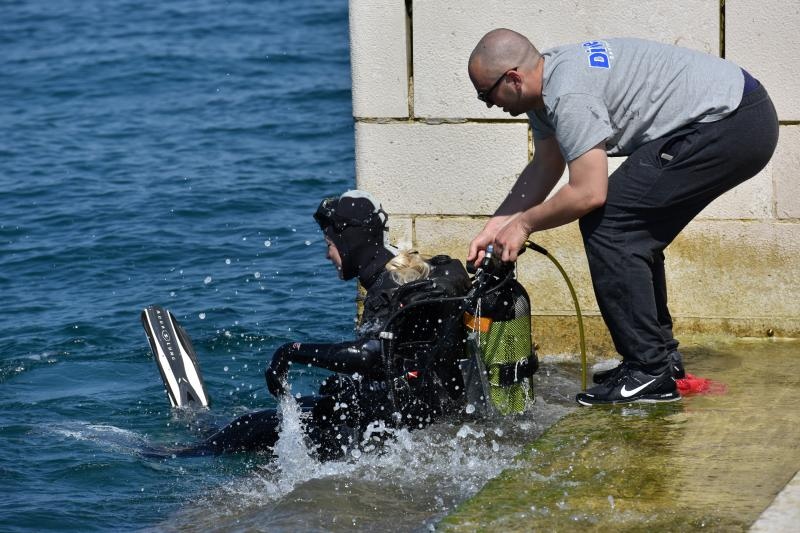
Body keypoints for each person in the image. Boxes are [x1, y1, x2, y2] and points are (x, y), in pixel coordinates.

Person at [466, 29, 778, 406]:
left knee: (612, 224)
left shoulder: (568, 94)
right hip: (737, 114)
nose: (488, 105)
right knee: (630, 227)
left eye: (487, 95)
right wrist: (497, 225)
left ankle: (649, 371)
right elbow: (547, 164)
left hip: (733, 121)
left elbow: (588, 192)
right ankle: (659, 361)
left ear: (513, 78)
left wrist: (525, 224)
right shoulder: (546, 85)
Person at [144, 190, 472, 458]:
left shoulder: (389, 289)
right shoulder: (410, 273)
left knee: (253, 429)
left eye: (329, 244)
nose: (326, 255)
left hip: (392, 419)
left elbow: (372, 356)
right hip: (418, 408)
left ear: (349, 243)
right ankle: (212, 430)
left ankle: (182, 451)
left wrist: (292, 352)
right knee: (270, 422)